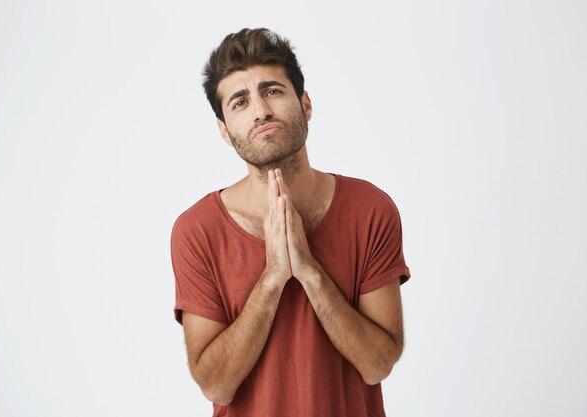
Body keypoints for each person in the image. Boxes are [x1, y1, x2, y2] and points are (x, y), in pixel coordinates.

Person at [171, 27, 411, 417]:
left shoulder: (370, 209)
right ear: (224, 132)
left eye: (273, 91)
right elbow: (216, 385)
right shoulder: (197, 232)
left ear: (306, 104)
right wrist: (272, 278)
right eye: (239, 102)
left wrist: (310, 272)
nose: (260, 110)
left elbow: (378, 364)